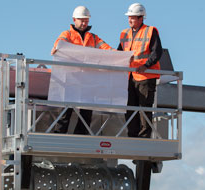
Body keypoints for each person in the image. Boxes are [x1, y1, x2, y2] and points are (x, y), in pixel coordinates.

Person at [51, 6, 112, 134]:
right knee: (66, 110)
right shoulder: (67, 34)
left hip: (87, 80)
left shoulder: (93, 38)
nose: (84, 23)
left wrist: (121, 55)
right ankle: (59, 135)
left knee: (86, 111)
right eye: (81, 20)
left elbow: (107, 49)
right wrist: (57, 47)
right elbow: (60, 43)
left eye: (86, 20)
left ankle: (81, 135)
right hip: (71, 79)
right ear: (74, 20)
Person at [118, 3, 163, 138]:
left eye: (132, 18)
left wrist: (146, 65)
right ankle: (132, 135)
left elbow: (157, 51)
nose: (130, 20)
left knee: (144, 109)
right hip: (130, 77)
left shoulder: (150, 31)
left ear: (141, 18)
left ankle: (143, 137)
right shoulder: (124, 33)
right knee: (130, 108)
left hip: (146, 77)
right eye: (129, 17)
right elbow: (119, 53)